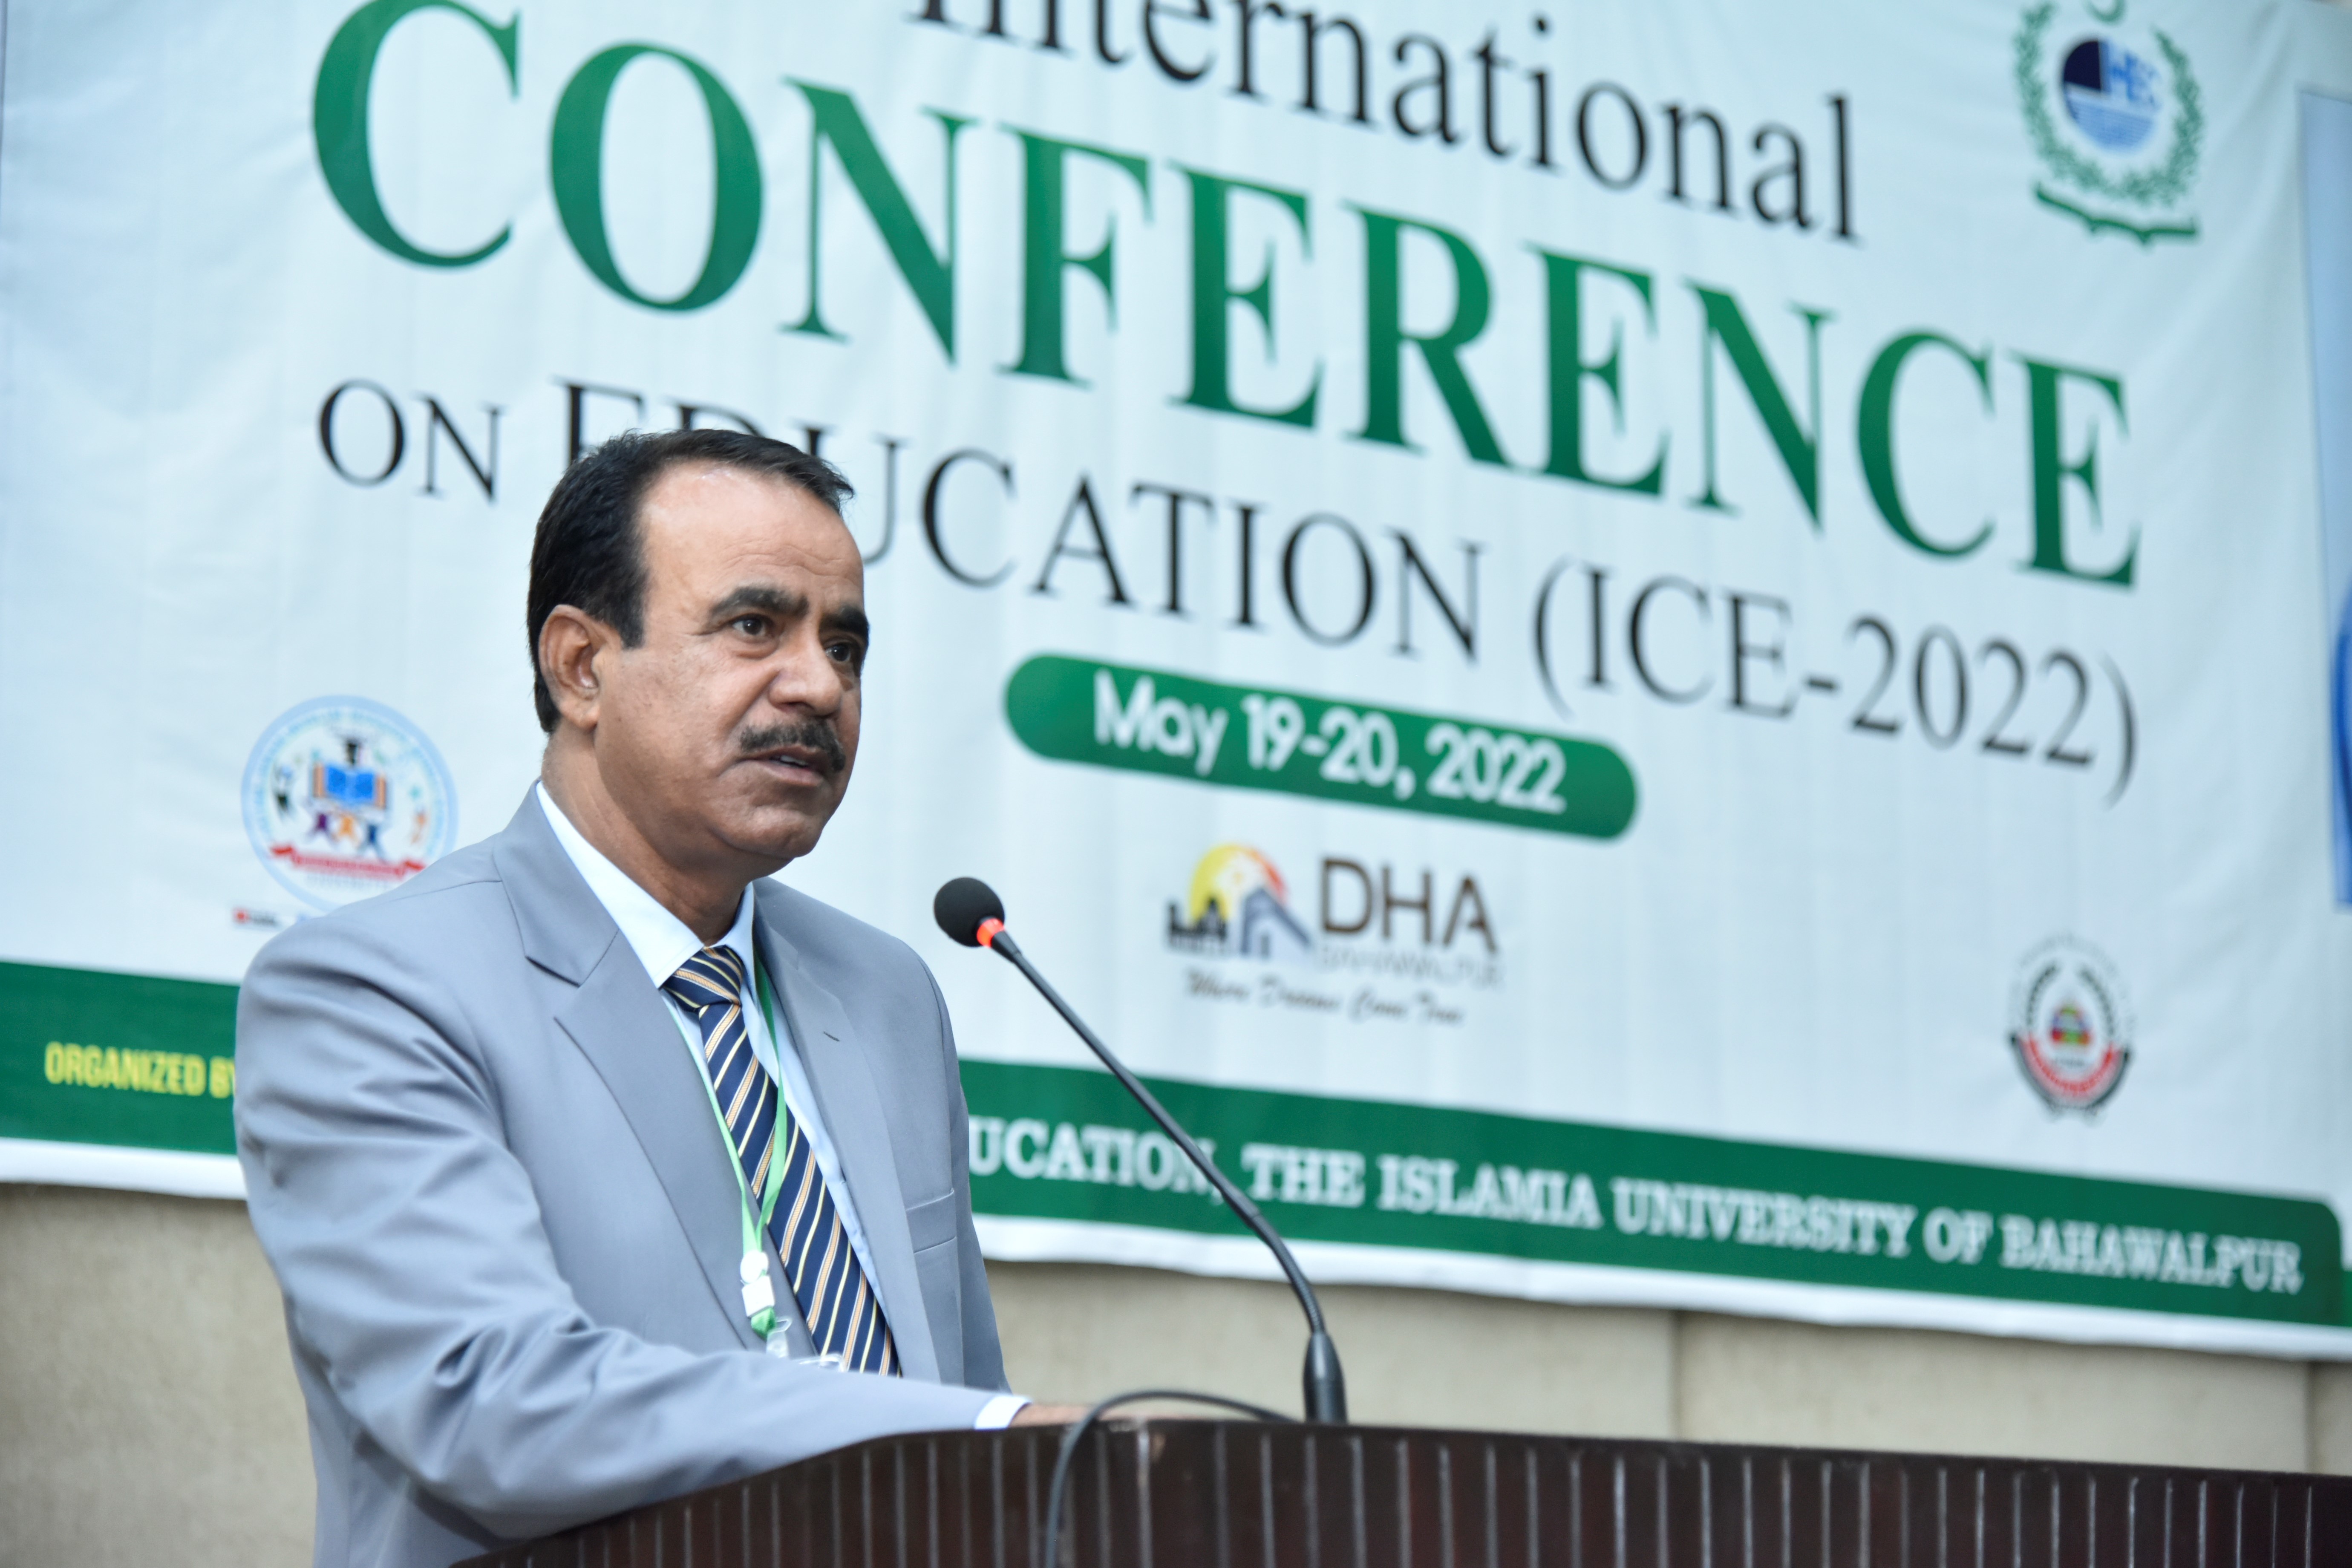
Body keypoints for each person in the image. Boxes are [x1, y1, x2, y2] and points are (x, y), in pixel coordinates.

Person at [236, 429, 1077, 1568]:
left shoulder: (887, 995)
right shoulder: (372, 992)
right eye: (754, 626)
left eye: (844, 644)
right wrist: (975, 1434)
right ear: (581, 667)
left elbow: (963, 1380)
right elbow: (491, 1398)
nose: (819, 685)